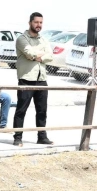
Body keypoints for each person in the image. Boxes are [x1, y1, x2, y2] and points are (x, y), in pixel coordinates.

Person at [13, 12, 57, 146]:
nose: (39, 25)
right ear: (30, 23)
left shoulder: (43, 40)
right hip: (27, 78)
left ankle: (42, 137)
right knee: (21, 110)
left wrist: (39, 56)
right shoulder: (22, 38)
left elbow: (51, 56)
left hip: (41, 79)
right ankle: (17, 137)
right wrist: (39, 54)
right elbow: (28, 52)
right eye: (36, 22)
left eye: (41, 23)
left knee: (42, 110)